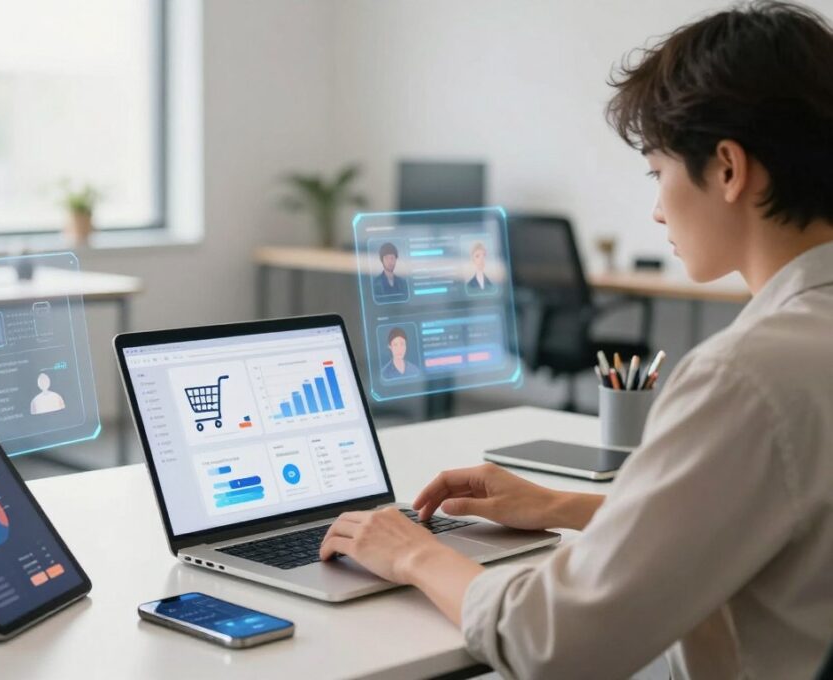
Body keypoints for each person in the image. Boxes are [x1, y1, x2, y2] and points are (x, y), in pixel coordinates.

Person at [320, 3, 833, 678]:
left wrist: (412, 552)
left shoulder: (746, 375)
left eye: (658, 172)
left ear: (729, 169)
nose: (655, 207)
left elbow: (552, 646)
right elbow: (775, 519)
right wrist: (565, 506)